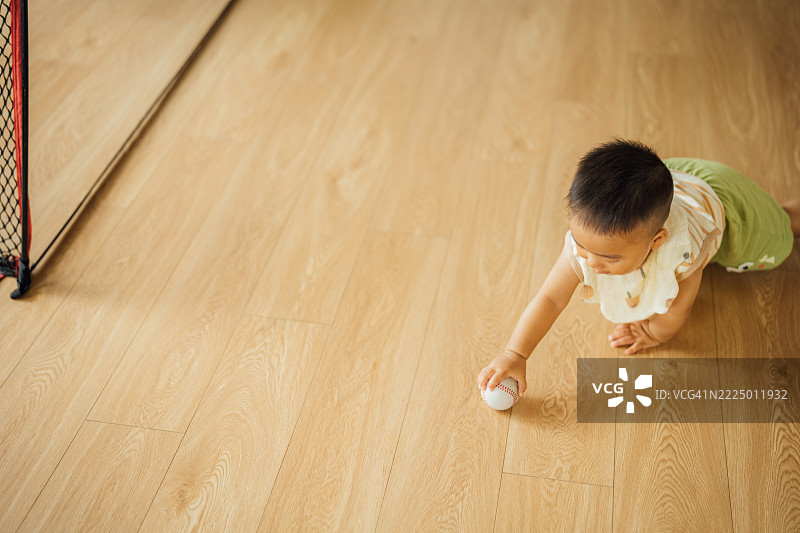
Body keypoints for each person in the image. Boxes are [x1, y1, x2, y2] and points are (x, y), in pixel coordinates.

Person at [477, 139, 800, 396]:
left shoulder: (683, 252)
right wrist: (515, 354)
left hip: (727, 207)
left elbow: (678, 308)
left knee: (784, 225)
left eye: (610, 259)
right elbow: (550, 298)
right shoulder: (589, 244)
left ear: (657, 240)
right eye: (582, 246)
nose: (590, 262)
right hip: (675, 179)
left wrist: (653, 331)